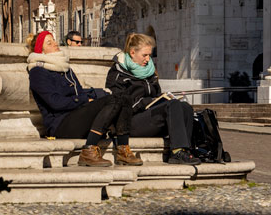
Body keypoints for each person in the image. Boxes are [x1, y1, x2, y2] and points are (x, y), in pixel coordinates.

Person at [26, 30, 142, 167]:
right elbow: (55, 103)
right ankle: (89, 150)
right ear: (41, 51)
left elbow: (79, 92)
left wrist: (90, 98)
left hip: (77, 116)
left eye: (54, 40)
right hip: (61, 124)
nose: (55, 44)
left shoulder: (65, 68)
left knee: (123, 96)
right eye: (49, 43)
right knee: (114, 100)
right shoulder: (38, 72)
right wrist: (84, 101)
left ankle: (123, 150)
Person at [105, 32, 200, 165]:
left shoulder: (150, 73)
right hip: (129, 121)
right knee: (171, 105)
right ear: (132, 53)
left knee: (185, 107)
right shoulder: (118, 73)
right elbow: (118, 103)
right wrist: (147, 102)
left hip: (149, 117)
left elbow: (157, 95)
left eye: (150, 55)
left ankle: (185, 150)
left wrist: (160, 99)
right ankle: (177, 151)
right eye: (145, 55)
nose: (148, 59)